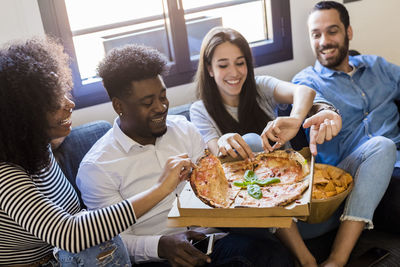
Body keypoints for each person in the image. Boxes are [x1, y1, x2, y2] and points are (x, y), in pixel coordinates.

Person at [76, 43, 295, 266]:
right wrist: (161, 245)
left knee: (274, 255)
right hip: (158, 258)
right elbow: (113, 241)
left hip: (213, 240)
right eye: (147, 102)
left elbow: (215, 187)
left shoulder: (184, 129)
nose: (161, 107)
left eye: (163, 96)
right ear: (118, 106)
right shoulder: (97, 167)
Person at [0, 37, 193, 266]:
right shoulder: (6, 177)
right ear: (23, 118)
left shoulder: (36, 145)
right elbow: (71, 234)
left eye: (63, 93)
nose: (69, 104)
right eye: (54, 104)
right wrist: (162, 188)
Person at [292, 1, 398, 266]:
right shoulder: (307, 83)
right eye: (316, 34)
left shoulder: (378, 67)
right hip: (354, 176)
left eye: (332, 31)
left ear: (349, 32)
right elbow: (308, 105)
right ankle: (337, 259)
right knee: (382, 145)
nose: (324, 41)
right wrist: (323, 112)